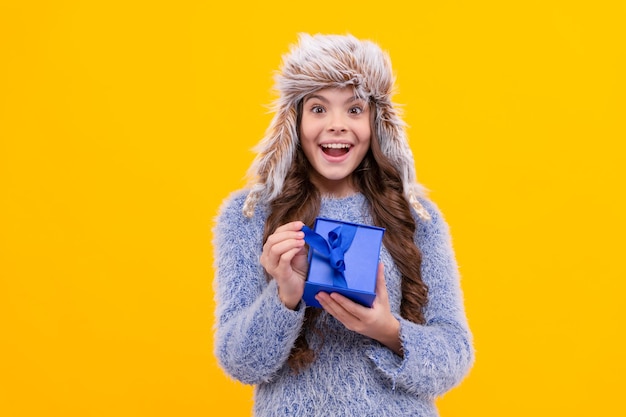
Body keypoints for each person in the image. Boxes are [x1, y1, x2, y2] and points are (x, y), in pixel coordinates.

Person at [213, 33, 474, 416]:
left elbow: (455, 353)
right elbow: (240, 363)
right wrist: (285, 294)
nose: (337, 125)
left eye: (354, 109)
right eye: (318, 109)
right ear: (295, 121)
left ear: (377, 122)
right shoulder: (249, 216)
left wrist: (387, 329)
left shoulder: (418, 218)